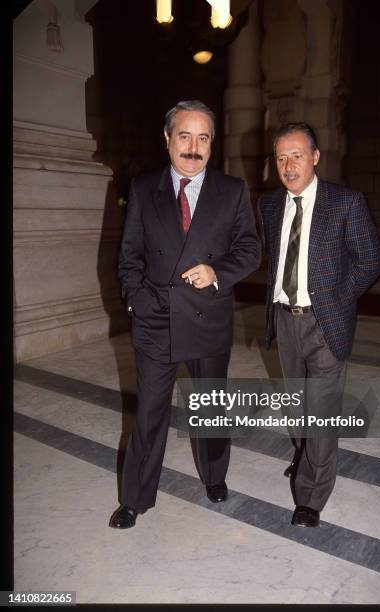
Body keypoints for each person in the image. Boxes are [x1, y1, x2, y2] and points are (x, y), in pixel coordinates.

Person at [109, 100, 261, 528]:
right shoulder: (143, 188)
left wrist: (218, 271)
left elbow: (250, 249)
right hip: (156, 318)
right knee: (150, 411)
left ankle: (215, 476)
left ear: (212, 144)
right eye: (184, 136)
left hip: (207, 316)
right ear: (167, 138)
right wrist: (137, 300)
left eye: (203, 138)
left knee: (211, 405)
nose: (193, 148)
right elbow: (129, 257)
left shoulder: (232, 191)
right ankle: (135, 499)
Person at [258, 122, 380, 528]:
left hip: (326, 321)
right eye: (281, 157)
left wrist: (338, 298)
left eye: (296, 155)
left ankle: (311, 495)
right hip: (285, 319)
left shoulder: (345, 202)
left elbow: (371, 260)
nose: (289, 165)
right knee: (297, 405)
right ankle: (305, 455)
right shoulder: (270, 205)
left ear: (314, 156)